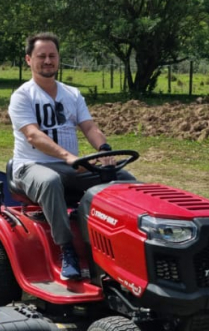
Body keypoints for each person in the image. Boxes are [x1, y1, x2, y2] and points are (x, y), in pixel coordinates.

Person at [8, 32, 130, 281]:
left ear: (59, 59)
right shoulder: (22, 96)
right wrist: (66, 156)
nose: (47, 61)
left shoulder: (72, 94)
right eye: (41, 56)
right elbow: (33, 135)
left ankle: (124, 246)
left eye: (52, 55)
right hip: (31, 166)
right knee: (50, 181)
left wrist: (105, 150)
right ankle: (67, 250)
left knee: (123, 179)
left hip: (69, 165)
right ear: (28, 60)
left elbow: (89, 127)